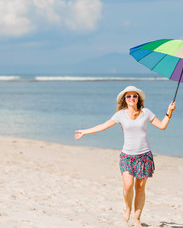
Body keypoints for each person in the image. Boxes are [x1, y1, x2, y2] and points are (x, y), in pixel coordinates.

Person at [74, 86, 176, 227]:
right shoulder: (120, 115)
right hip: (127, 156)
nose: (132, 98)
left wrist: (169, 112)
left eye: (135, 96)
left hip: (144, 156)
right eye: (129, 96)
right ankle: (128, 208)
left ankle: (136, 219)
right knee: (128, 187)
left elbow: (162, 126)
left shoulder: (146, 112)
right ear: (124, 99)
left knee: (140, 189)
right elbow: (104, 125)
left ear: (138, 98)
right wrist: (85, 131)